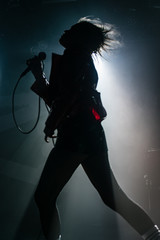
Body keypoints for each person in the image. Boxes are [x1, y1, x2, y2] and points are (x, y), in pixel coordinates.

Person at [29, 17, 160, 240]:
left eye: (71, 28)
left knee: (44, 196)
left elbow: (66, 98)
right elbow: (62, 96)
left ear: (79, 37)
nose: (65, 30)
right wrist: (39, 75)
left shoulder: (74, 56)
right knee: (112, 197)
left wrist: (50, 125)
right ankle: (154, 235)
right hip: (90, 135)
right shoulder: (80, 58)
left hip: (75, 135)